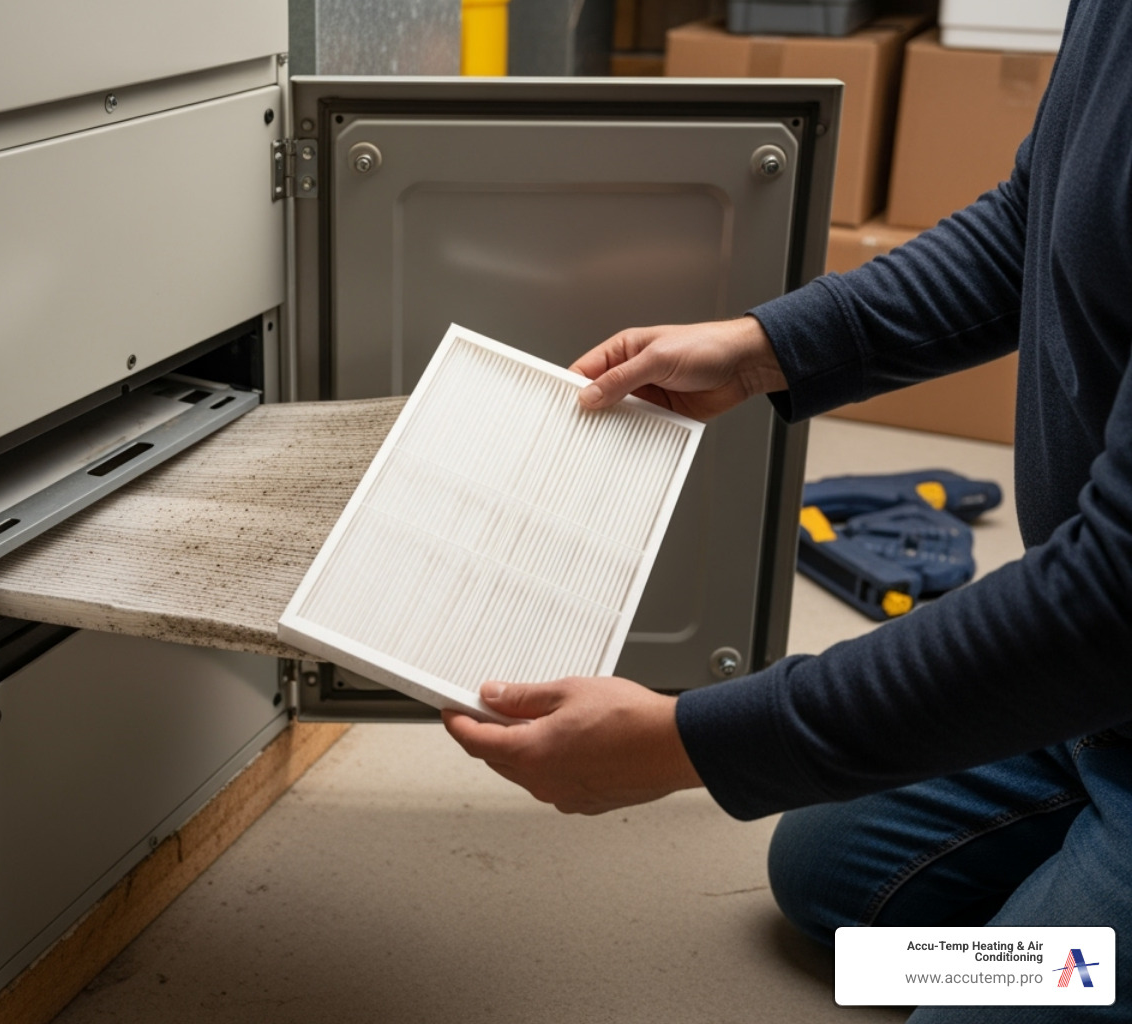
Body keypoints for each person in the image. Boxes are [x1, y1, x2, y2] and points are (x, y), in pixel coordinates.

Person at [443, 1, 1131, 1020]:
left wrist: (681, 743)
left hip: (1109, 645)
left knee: (978, 995)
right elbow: (1040, 217)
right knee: (833, 879)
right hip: (1102, 700)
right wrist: (766, 347)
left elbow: (1107, 602)